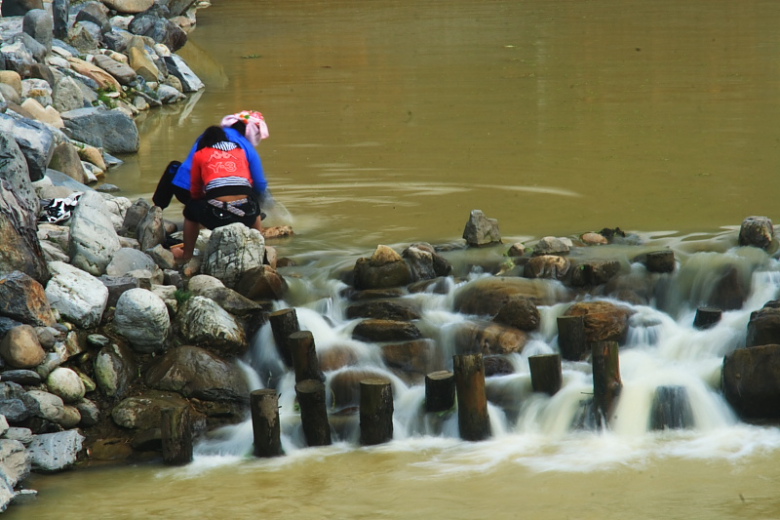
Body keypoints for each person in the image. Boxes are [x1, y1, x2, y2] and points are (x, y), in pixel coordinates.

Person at [172, 123, 268, 263]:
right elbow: (251, 182)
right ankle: (260, 251)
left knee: (190, 210)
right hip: (247, 216)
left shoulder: (200, 155)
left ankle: (187, 254)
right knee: (253, 202)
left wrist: (206, 201)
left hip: (217, 218)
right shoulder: (240, 151)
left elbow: (196, 190)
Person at [153, 110, 270, 209]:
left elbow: (192, 163)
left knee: (175, 167)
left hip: (183, 190)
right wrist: (268, 204)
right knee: (252, 185)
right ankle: (253, 218)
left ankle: (157, 209)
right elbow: (260, 184)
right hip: (216, 197)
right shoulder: (246, 147)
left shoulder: (208, 136)